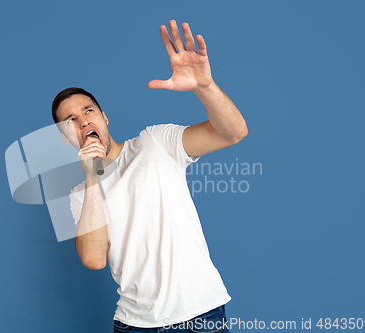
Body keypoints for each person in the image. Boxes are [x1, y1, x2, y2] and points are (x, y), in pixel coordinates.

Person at [51, 20, 247, 332]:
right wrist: (92, 178)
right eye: (70, 121)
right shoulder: (78, 194)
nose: (82, 122)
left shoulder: (155, 142)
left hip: (200, 315)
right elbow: (94, 260)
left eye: (88, 111)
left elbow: (233, 133)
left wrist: (205, 88)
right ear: (65, 138)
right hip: (134, 325)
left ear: (104, 116)